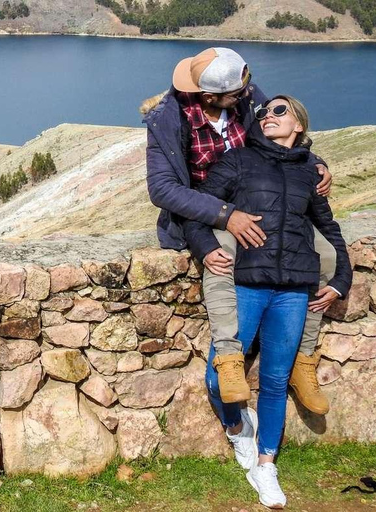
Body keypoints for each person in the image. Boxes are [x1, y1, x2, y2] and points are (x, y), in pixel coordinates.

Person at [142, 48, 335, 416]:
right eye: (238, 93)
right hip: (205, 213)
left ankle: (303, 360)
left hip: (257, 199)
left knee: (323, 256)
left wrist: (317, 163)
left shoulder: (241, 91)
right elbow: (163, 189)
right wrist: (225, 215)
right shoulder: (167, 120)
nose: (250, 95)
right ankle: (230, 360)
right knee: (222, 258)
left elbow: (283, 134)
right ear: (210, 97)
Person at [184, 96, 352, 508]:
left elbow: (329, 228)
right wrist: (207, 248)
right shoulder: (238, 160)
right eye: (262, 113)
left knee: (276, 381)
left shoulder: (308, 173)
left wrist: (342, 280)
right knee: (218, 376)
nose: (266, 115)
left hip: (295, 289)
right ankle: (238, 426)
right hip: (246, 282)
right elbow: (198, 210)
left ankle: (266, 464)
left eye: (278, 110)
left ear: (298, 123)